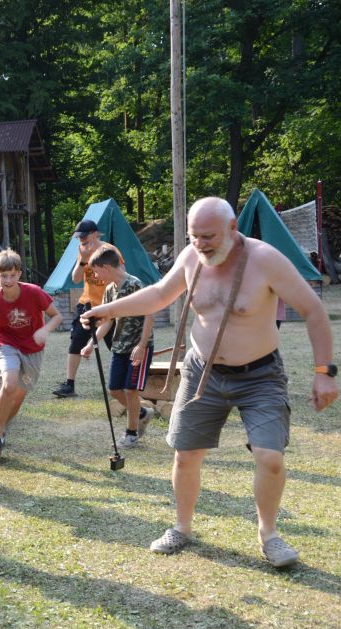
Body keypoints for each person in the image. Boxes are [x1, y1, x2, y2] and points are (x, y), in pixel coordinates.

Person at [83, 197, 337, 568]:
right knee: (186, 455)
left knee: (270, 458)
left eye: (209, 237)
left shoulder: (265, 259)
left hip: (260, 375)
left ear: (233, 229)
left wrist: (324, 372)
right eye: (194, 236)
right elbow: (158, 295)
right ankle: (182, 528)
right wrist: (106, 309)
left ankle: (269, 535)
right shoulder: (191, 257)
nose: (200, 244)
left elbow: (312, 310)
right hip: (203, 371)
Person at [0, 249, 62, 455]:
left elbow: (57, 316)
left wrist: (44, 330)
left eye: (12, 275)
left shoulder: (34, 292)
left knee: (19, 392)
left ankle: (1, 428)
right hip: (7, 343)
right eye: (4, 276)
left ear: (19, 274)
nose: (8, 280)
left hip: (32, 348)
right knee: (10, 384)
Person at [79, 246, 155, 448]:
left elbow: (150, 314)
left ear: (105, 267)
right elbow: (107, 321)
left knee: (130, 391)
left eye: (96, 271)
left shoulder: (135, 285)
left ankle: (131, 434)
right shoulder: (110, 290)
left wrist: (142, 345)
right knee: (114, 390)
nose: (96, 276)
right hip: (119, 346)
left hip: (138, 348)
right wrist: (90, 344)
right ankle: (142, 413)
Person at [52, 220, 122, 398]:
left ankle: (123, 383)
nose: (81, 239)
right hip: (87, 304)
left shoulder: (109, 251)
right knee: (76, 342)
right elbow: (75, 278)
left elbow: (122, 274)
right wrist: (83, 260)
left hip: (107, 305)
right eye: (79, 237)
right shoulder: (82, 252)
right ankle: (69, 385)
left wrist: (116, 301)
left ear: (95, 233)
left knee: (116, 346)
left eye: (84, 236)